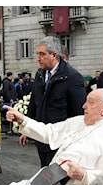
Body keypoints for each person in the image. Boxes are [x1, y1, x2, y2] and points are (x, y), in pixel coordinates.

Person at [22, 36, 86, 167]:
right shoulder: (40, 74)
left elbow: (79, 113)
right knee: (44, 176)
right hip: (41, 138)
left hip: (60, 142)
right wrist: (27, 129)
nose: (38, 58)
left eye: (42, 54)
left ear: (54, 55)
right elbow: (34, 103)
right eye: (37, 54)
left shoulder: (72, 77)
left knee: (57, 181)